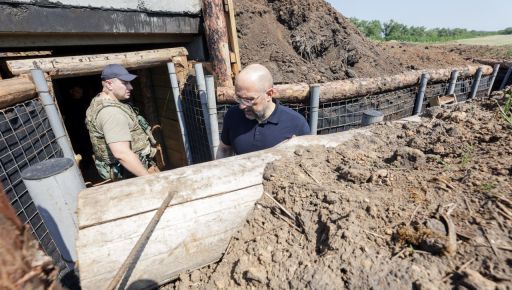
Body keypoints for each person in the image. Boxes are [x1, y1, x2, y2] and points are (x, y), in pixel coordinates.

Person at [217, 64, 310, 158]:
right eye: (238, 97)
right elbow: (224, 149)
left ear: (269, 94)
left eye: (249, 99)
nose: (242, 106)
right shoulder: (233, 116)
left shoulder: (296, 123)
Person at [85, 64, 158, 180]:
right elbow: (122, 153)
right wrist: (149, 179)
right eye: (125, 83)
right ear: (109, 84)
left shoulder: (98, 100)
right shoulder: (111, 113)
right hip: (131, 175)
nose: (130, 87)